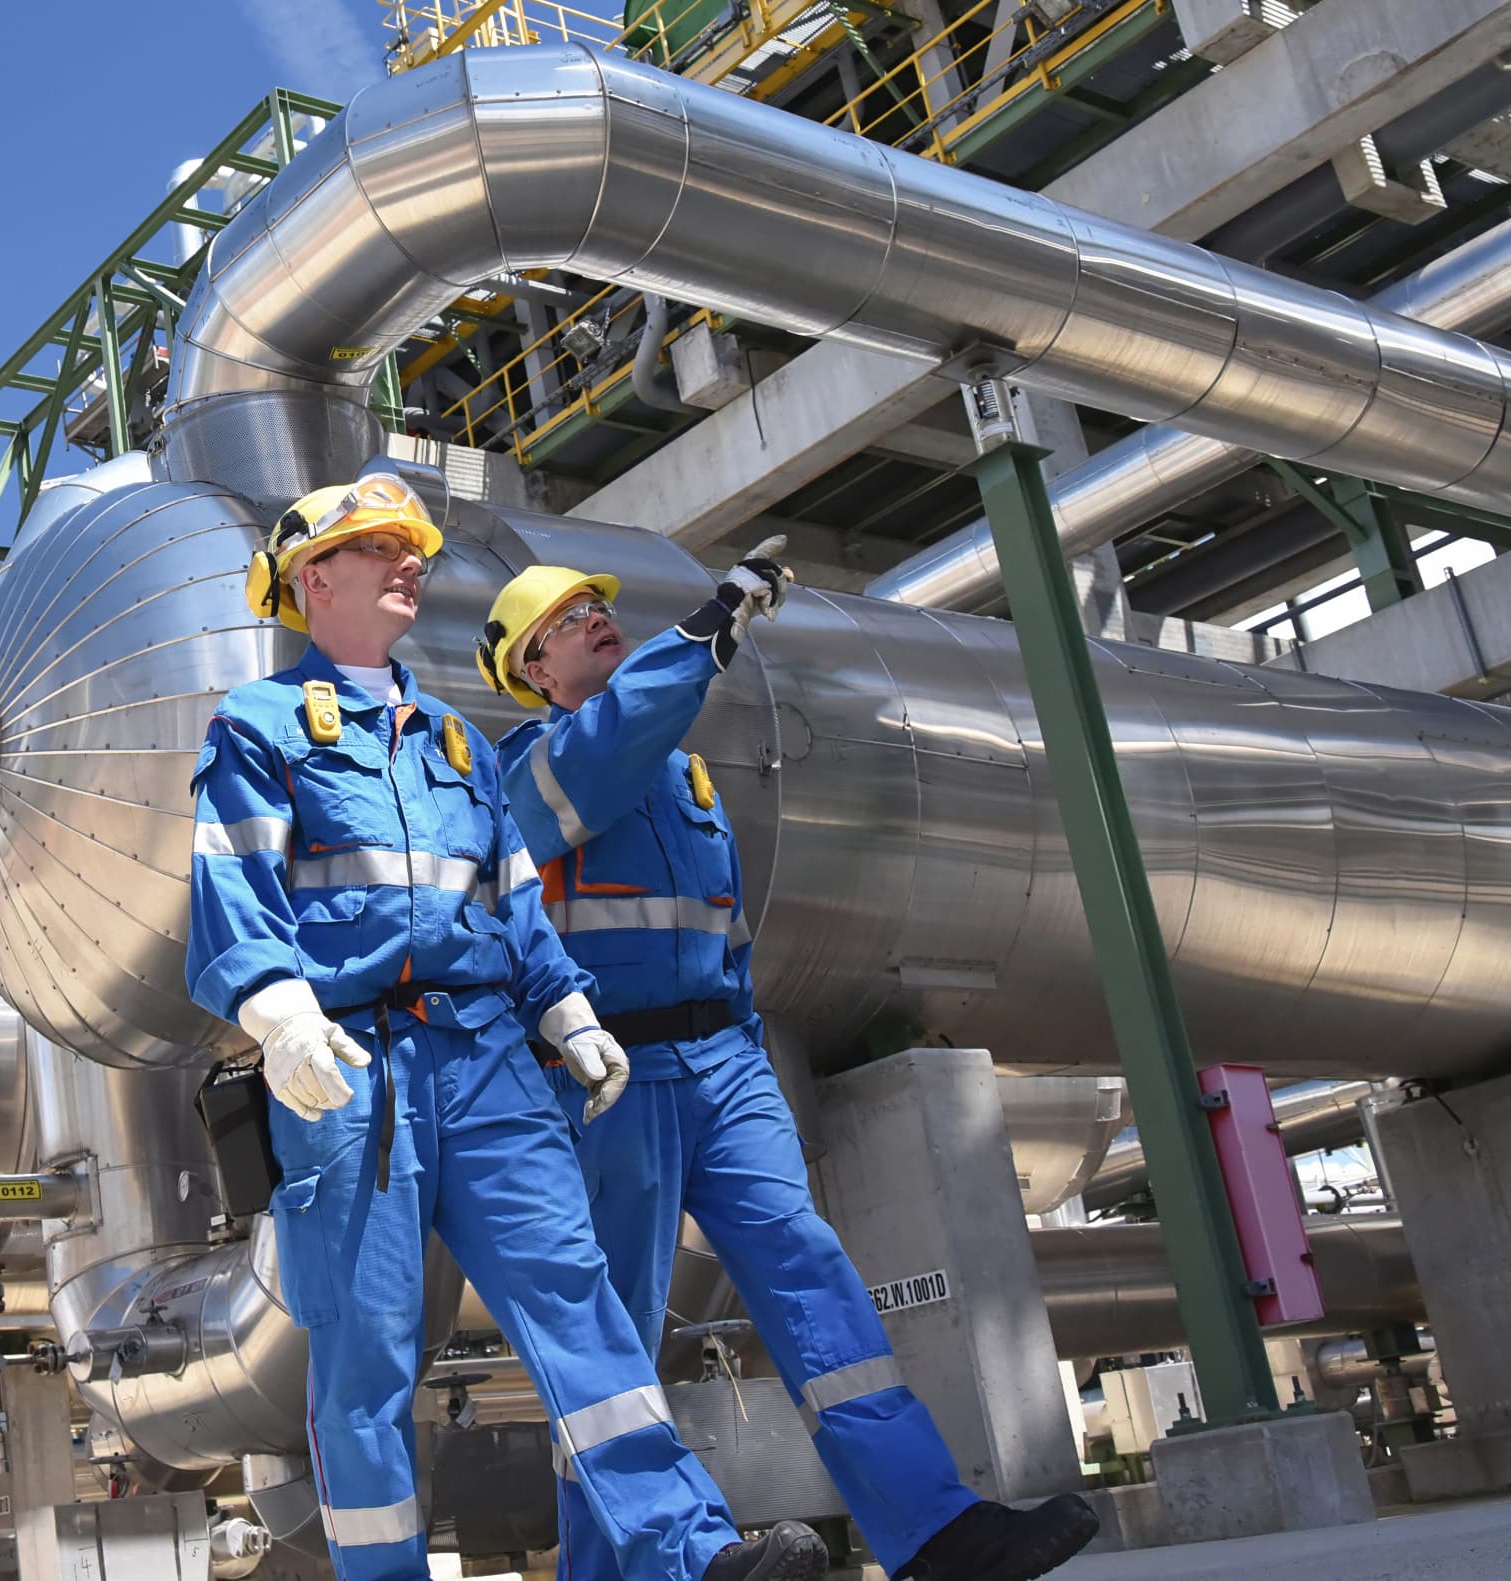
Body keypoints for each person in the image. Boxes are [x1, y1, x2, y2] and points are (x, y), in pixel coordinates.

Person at [187, 474, 830, 1581]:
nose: (410, 563)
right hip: (349, 1068)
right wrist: (281, 1012)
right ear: (312, 579)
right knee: (367, 1357)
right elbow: (234, 888)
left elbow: (513, 898)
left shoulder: (455, 740)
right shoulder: (259, 727)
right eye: (382, 546)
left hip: (488, 1058)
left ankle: (687, 1553)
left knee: (576, 1300)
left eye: (413, 547)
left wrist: (567, 1008)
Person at [477, 553, 1103, 1581]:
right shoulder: (534, 768)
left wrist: (742, 1032)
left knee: (811, 1276)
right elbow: (611, 745)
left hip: (724, 1063)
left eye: (599, 605)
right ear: (532, 669)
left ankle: (934, 1529)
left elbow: (716, 922)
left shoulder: (682, 771)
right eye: (568, 618)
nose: (596, 620)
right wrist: (709, 627)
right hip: (609, 1077)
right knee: (613, 1337)